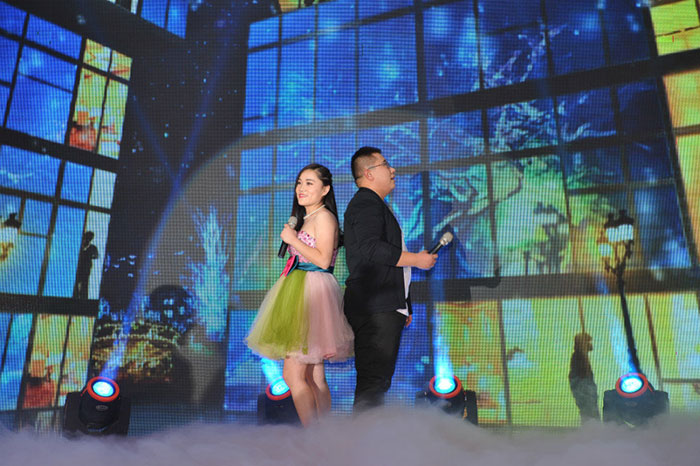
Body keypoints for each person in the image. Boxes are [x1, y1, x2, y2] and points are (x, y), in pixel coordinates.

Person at [246, 163, 353, 426]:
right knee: (313, 376)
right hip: (300, 291)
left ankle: (313, 434)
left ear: (325, 189)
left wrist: (293, 240)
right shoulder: (307, 218)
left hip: (312, 295)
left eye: (309, 183)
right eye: (299, 183)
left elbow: (323, 259)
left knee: (293, 376)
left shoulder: (324, 217)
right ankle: (323, 433)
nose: (301, 188)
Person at [343, 147, 437, 412]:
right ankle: (363, 437)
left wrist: (405, 304)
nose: (393, 169)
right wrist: (416, 259)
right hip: (375, 306)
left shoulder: (374, 205)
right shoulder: (366, 203)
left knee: (377, 382)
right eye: (386, 164)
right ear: (369, 173)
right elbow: (372, 249)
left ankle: (367, 435)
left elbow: (388, 262)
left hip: (384, 304)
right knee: (373, 383)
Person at [568, 332, 600, 422]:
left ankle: (592, 425)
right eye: (587, 342)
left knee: (591, 407)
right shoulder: (579, 356)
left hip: (585, 384)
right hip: (582, 385)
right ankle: (591, 425)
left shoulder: (581, 355)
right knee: (588, 408)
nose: (590, 344)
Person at [75, 231, 99, 299]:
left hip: (86, 267)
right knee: (77, 282)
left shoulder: (92, 247)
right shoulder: (80, 245)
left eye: (90, 238)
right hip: (79, 266)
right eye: (87, 238)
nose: (88, 239)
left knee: (84, 283)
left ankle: (83, 297)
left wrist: (90, 254)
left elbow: (96, 256)